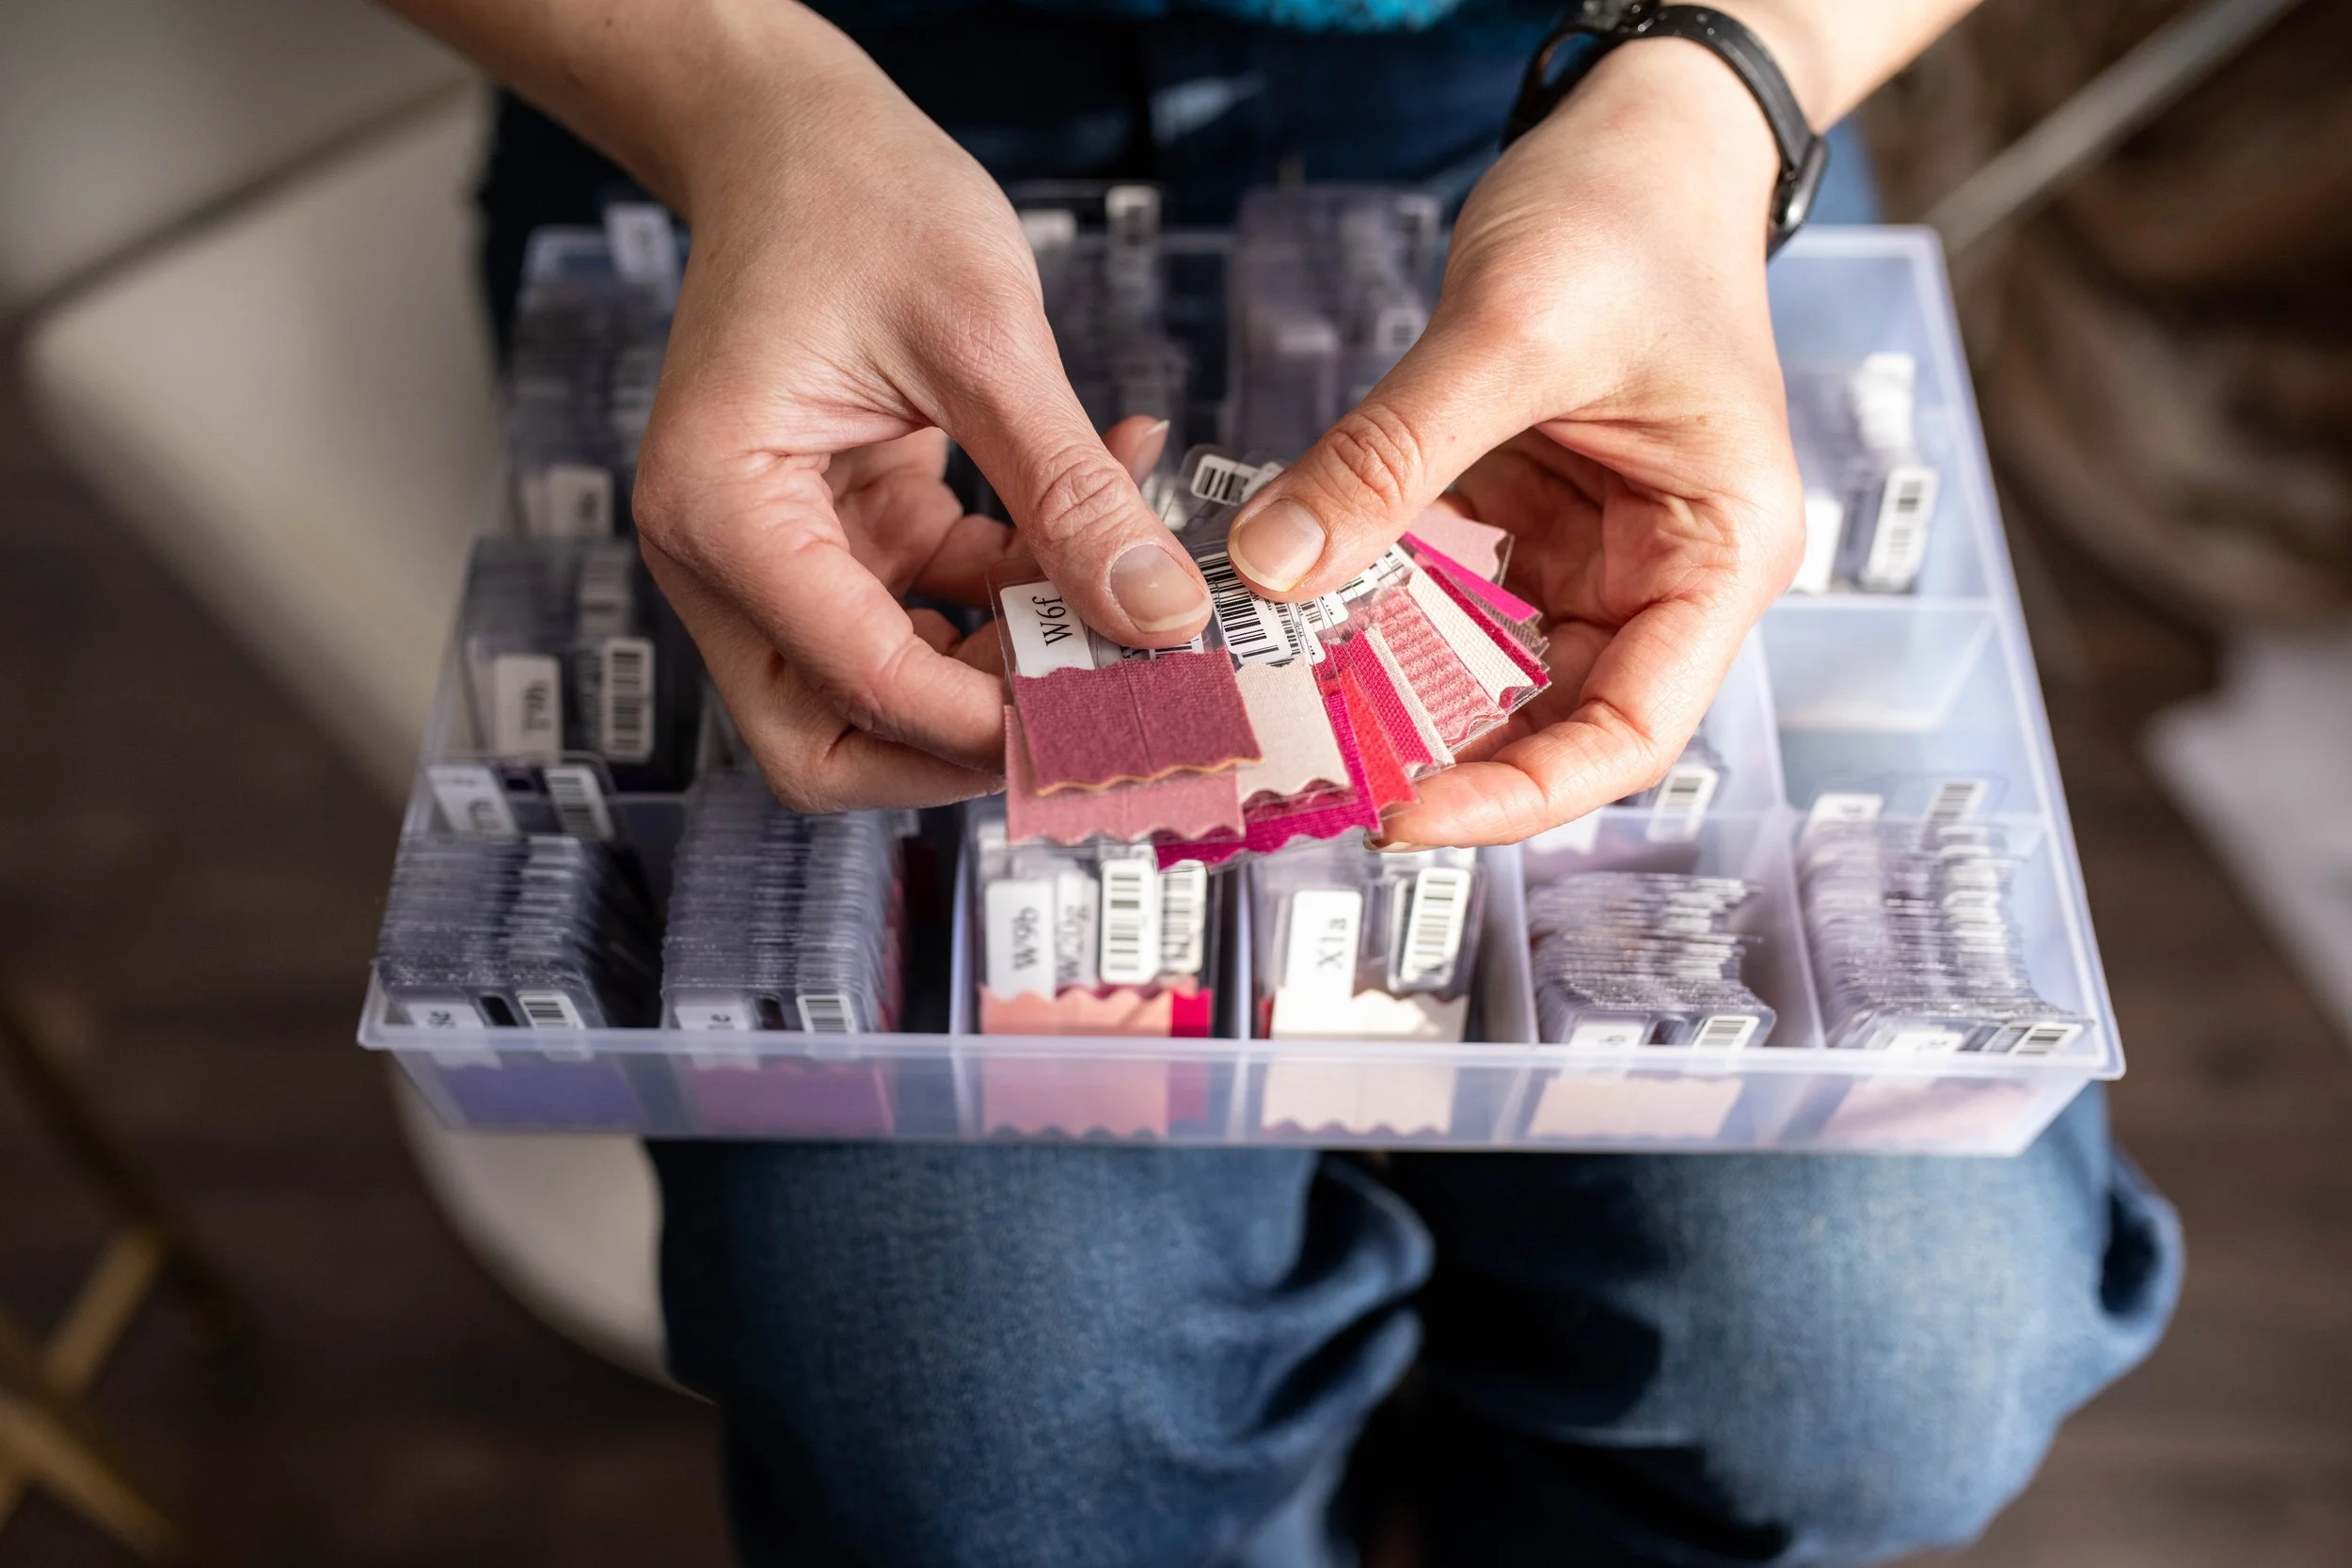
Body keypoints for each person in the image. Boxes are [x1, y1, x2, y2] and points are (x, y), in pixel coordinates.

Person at [384, 0, 2183, 1561]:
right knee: (991, 1437)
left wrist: (1731, 79)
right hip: (752, 121)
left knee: (1889, 1357)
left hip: (1603, 124)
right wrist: (735, 104)